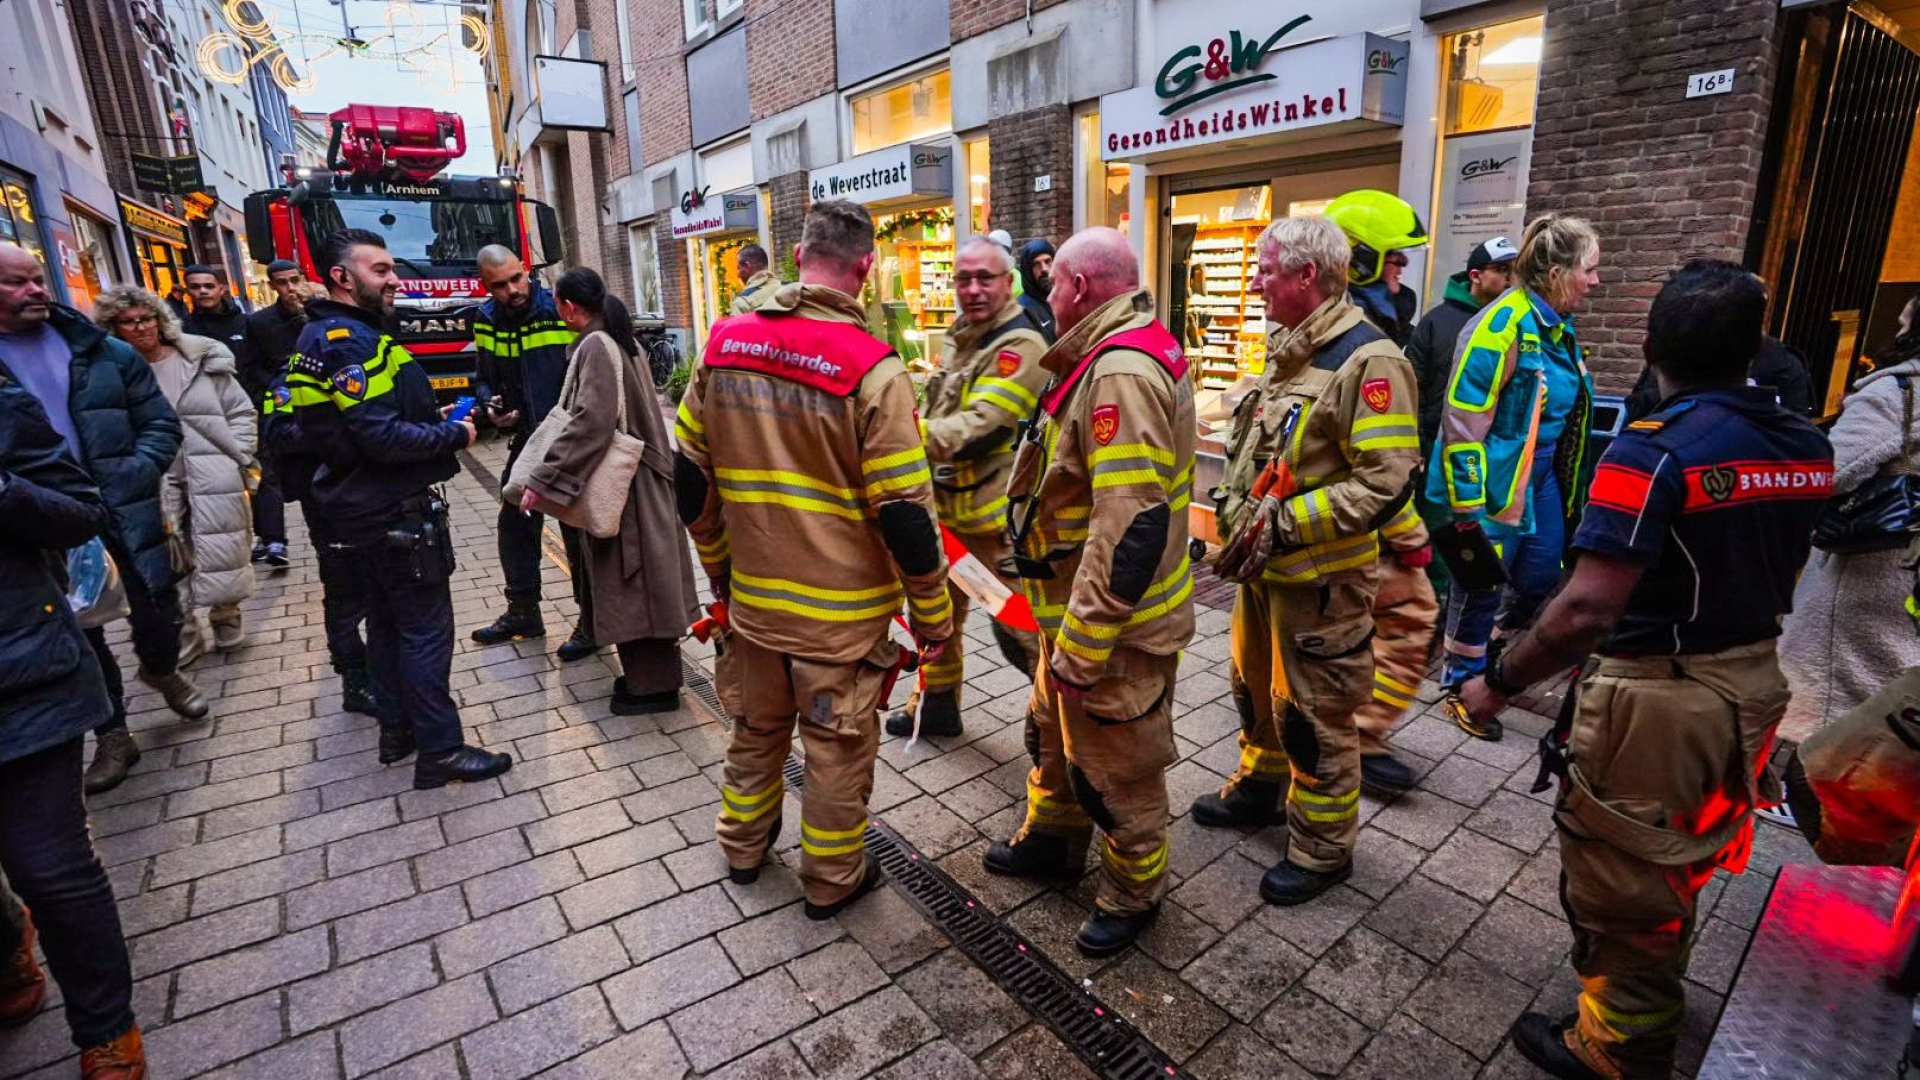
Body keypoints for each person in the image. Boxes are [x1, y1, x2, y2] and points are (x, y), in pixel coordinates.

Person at [1458, 259, 1833, 1080]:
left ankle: (1620, 1047)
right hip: (1752, 686)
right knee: (1682, 858)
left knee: (1623, 882)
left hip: (1661, 701)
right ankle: (1652, 989)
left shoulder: (1652, 453)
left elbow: (1586, 610)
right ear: (1754, 346)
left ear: (1653, 342)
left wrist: (1497, 682)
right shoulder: (1807, 443)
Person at [678, 199, 952, 920]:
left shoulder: (724, 342)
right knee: (834, 751)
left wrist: (719, 572)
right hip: (839, 624)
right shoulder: (875, 369)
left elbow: (688, 479)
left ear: (797, 258)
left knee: (756, 731)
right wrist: (932, 615)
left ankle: (741, 847)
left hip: (756, 605)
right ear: (866, 268)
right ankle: (832, 883)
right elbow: (904, 514)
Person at [1194, 213, 1421, 903]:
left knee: (1314, 714)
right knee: (1255, 693)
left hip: (1319, 583)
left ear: (1306, 276)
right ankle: (1260, 789)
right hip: (1266, 575)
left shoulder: (1370, 361)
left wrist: (1284, 524)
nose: (1256, 283)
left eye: (1265, 271)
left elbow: (1386, 480)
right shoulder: (1290, 347)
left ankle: (1323, 850)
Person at [985, 226, 1195, 956]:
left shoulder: (1120, 374)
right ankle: (1052, 841)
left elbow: (1130, 523)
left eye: (1051, 284)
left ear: (1077, 286)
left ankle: (1134, 893)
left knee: (1116, 768)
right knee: (1052, 737)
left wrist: (1084, 643)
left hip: (1112, 631)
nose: (1043, 294)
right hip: (1072, 611)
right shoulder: (1108, 354)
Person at [284, 228, 510, 788]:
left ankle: (398, 730)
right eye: (380, 271)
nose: (395, 281)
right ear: (343, 277)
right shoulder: (347, 342)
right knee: (425, 632)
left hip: (359, 509)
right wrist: (454, 435)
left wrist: (432, 419)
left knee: (386, 624)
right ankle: (441, 750)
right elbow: (379, 438)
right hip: (389, 511)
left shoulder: (330, 336)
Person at [0, 244, 202, 797]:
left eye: (38, 279)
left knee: (157, 605)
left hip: (121, 502)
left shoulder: (103, 352)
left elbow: (159, 422)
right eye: (16, 284)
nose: (36, 291)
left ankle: (161, 668)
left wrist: (136, 471)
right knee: (79, 629)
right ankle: (114, 734)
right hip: (37, 516)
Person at [0, 370, 146, 1077]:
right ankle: (6, 943)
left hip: (17, 672)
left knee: (49, 869)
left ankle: (104, 1026)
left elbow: (77, 510)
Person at [1429, 214, 1601, 741]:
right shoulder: (1500, 326)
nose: (1595, 282)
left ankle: (1488, 647)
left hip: (1541, 476)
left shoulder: (1559, 330)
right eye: (1589, 270)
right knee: (1480, 584)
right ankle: (1460, 685)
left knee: (1540, 576)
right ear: (1556, 272)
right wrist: (1465, 507)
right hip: (1494, 484)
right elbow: (1462, 421)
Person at [883, 236, 1049, 740]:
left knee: (1022, 629)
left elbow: (982, 424)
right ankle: (935, 706)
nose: (973, 289)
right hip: (945, 516)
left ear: (1007, 282)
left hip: (990, 527)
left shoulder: (1022, 345)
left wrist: (901, 436)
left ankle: (1058, 729)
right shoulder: (963, 336)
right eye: (964, 279)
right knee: (936, 619)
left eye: (985, 279)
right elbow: (939, 408)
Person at [517, 267, 696, 714]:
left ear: (569, 307)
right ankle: (652, 683)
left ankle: (653, 690)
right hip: (644, 485)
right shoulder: (621, 337)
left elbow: (591, 423)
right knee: (644, 588)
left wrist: (543, 479)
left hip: (630, 491)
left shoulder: (596, 344)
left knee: (635, 589)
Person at [93, 288, 257, 673]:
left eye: (146, 318)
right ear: (113, 328)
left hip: (213, 464)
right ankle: (184, 632)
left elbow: (240, 409)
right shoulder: (110, 371)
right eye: (129, 322)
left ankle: (226, 615)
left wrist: (241, 453)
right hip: (154, 476)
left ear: (160, 320)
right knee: (166, 557)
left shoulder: (198, 357)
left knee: (225, 544)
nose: (140, 327)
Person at [1778, 296, 1920, 741]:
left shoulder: (1898, 392)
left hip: (1871, 569)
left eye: (1903, 322)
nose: (1896, 330)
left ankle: (1825, 796)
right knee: (1894, 693)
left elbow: (1832, 471)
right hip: (1912, 579)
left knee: (1828, 708)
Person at [468, 246, 595, 661]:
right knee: (514, 522)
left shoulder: (559, 311)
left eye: (516, 279)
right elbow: (484, 379)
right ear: (486, 286)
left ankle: (591, 622)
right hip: (528, 439)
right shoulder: (485, 319)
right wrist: (491, 406)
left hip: (569, 440)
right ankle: (524, 612)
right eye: (500, 285)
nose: (512, 290)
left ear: (526, 273)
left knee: (578, 534)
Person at [259, 285, 376, 719]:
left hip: (371, 497)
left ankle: (379, 669)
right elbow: (279, 434)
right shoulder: (291, 376)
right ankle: (354, 680)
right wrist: (334, 432)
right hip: (327, 500)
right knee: (344, 589)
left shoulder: (362, 362)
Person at [1405, 237, 1521, 612]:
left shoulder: (1514, 323)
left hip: (1495, 456)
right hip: (1442, 454)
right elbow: (1412, 389)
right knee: (1442, 532)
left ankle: (1471, 606)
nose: (1509, 279)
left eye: (1512, 271)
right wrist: (1419, 447)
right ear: (1476, 275)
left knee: (1484, 536)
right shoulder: (1436, 323)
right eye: (1501, 271)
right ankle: (1438, 603)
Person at [240, 259, 309, 568]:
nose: (291, 288)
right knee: (272, 474)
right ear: (272, 286)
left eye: (295, 280)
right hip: (281, 410)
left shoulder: (318, 315)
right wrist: (277, 388)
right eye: (283, 282)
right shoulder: (261, 323)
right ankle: (274, 539)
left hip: (319, 408)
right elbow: (251, 367)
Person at [1329, 190, 1429, 347]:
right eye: (1394, 258)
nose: (1401, 269)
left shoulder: (1380, 318)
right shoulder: (1351, 326)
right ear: (1362, 259)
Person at [181, 265, 251, 369]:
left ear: (221, 289)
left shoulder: (246, 323)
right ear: (187, 291)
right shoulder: (182, 330)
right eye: (195, 287)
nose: (203, 291)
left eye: (209, 286)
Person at [1018, 239, 1057, 342]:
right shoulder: (1023, 310)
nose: (1044, 269)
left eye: (1048, 261)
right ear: (1028, 271)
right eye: (1036, 264)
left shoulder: (1064, 299)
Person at [731, 244, 780, 314]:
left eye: (738, 268)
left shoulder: (743, 303)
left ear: (747, 266)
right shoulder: (792, 289)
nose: (738, 275)